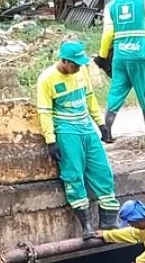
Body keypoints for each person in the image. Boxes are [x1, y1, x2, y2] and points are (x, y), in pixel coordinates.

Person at [37, 41, 119, 240]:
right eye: (74, 64)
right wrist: (51, 140)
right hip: (66, 132)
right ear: (64, 61)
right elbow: (45, 112)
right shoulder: (46, 79)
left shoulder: (81, 72)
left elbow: (89, 98)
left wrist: (100, 124)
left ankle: (108, 223)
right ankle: (86, 225)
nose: (78, 68)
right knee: (73, 176)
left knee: (102, 171)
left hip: (86, 128)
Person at [95, 0, 145, 140]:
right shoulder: (143, 1)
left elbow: (108, 33)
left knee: (116, 90)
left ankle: (107, 130)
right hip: (139, 54)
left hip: (120, 56)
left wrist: (102, 56)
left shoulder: (111, 6)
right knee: (144, 89)